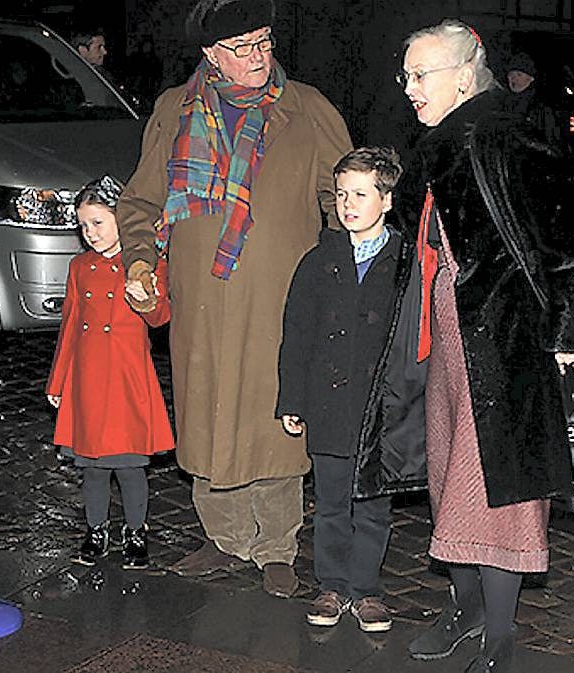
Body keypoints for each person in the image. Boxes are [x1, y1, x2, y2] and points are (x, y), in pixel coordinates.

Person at [117, 0, 352, 599]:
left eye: (264, 41)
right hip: (200, 300)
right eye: (243, 47)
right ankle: (222, 540)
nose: (258, 56)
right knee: (210, 414)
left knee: (274, 418)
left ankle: (277, 546)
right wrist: (141, 259)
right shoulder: (175, 111)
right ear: (210, 55)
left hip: (280, 300)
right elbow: (142, 202)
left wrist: (342, 272)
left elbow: (343, 199)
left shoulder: (307, 111)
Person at [396, 20, 574, 673]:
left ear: (463, 74)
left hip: (504, 336)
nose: (409, 88)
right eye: (405, 75)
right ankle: (466, 607)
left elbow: (568, 236)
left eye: (421, 74)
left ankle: (499, 636)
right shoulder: (438, 142)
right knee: (449, 472)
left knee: (497, 489)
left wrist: (571, 332)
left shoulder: (506, 134)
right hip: (449, 330)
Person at [276, 146, 408, 633]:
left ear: (386, 199)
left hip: (381, 410)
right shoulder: (320, 259)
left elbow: (417, 341)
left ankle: (366, 589)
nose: (347, 204)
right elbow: (297, 333)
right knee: (331, 501)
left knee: (373, 507)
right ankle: (330, 584)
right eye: (340, 194)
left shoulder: (404, 263)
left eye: (359, 194)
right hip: (329, 403)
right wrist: (292, 399)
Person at [45, 176, 174, 571]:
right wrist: (59, 381)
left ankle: (136, 530)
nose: (90, 234)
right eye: (83, 226)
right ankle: (95, 529)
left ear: (122, 219)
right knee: (91, 466)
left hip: (126, 375)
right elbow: (70, 324)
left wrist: (145, 298)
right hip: (86, 377)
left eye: (98, 223)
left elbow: (160, 316)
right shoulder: (80, 267)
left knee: (130, 464)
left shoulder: (146, 263)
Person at [502, 51, 560, 144]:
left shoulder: (541, 105)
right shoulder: (503, 103)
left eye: (519, 75)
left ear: (530, 78)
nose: (513, 78)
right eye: (510, 75)